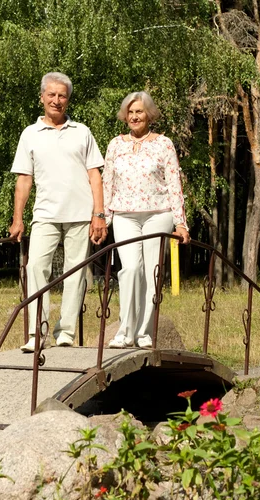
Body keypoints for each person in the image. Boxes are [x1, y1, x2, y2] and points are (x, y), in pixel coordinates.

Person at [9, 72, 107, 351]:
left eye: (62, 95)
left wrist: (99, 214)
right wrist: (18, 218)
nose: (56, 100)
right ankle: (36, 334)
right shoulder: (30, 134)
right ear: (42, 97)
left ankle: (66, 333)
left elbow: (95, 175)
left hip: (80, 214)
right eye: (51, 95)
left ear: (68, 99)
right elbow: (24, 180)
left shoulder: (82, 132)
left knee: (75, 273)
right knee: (35, 267)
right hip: (45, 214)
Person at [102, 91, 190, 350]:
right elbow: (108, 183)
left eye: (139, 111)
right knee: (130, 269)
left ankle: (144, 332)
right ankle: (125, 331)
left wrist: (180, 222)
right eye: (130, 112)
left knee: (152, 272)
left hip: (158, 213)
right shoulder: (115, 144)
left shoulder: (164, 144)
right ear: (124, 116)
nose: (134, 116)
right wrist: (102, 219)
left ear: (149, 114)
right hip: (124, 215)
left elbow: (174, 183)